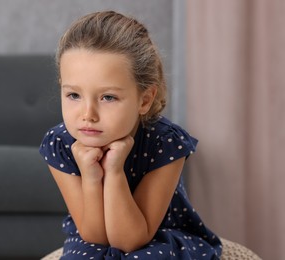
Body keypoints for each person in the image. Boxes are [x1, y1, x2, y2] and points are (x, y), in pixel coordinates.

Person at [39, 11, 222, 259]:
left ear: (144, 100)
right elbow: (93, 237)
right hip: (90, 237)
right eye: (73, 95)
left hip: (159, 234)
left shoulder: (165, 141)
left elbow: (130, 241)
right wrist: (92, 177)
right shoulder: (59, 143)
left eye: (108, 97)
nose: (88, 114)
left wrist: (114, 171)